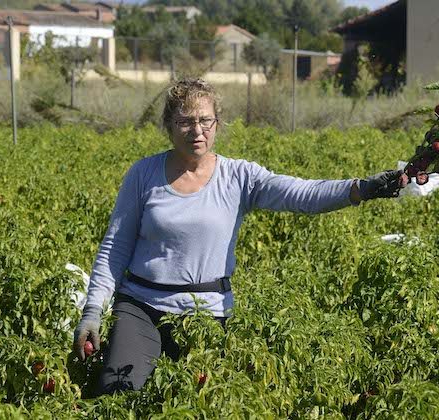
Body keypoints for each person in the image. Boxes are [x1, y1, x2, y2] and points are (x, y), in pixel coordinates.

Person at [73, 77, 408, 395]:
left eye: (206, 120)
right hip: (142, 305)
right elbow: (115, 248)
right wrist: (92, 310)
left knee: (200, 402)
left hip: (208, 314)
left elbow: (302, 194)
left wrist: (362, 189)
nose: (197, 131)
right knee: (119, 392)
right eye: (185, 121)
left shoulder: (240, 176)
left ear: (218, 123)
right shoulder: (143, 174)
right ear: (169, 126)